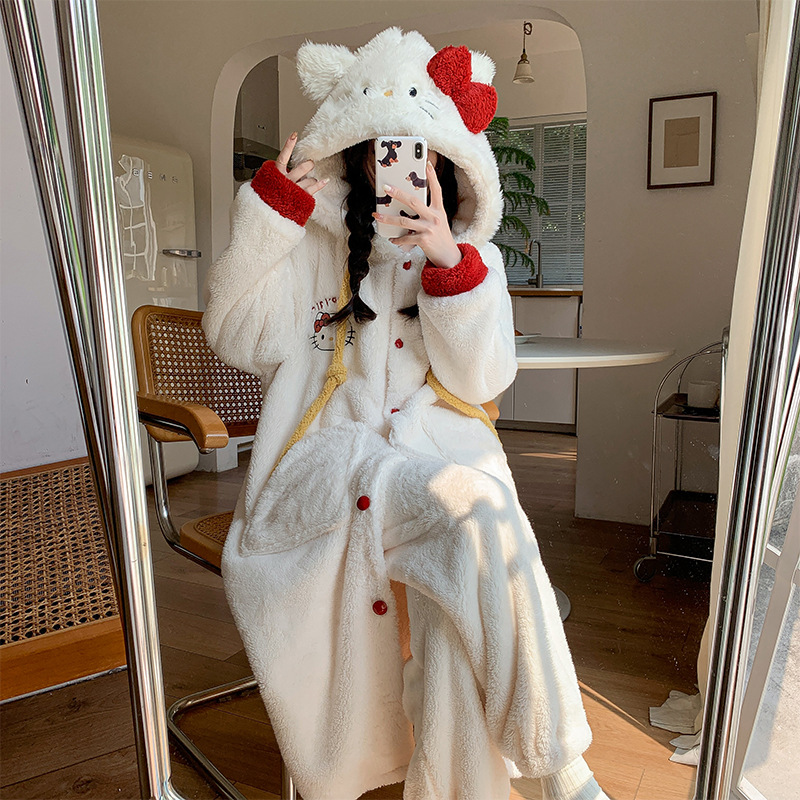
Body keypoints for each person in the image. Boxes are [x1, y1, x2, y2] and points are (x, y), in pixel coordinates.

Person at [203, 27, 609, 800]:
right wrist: (272, 215)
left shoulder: (471, 258)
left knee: (457, 593)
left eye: (419, 150)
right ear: (360, 153)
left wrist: (449, 262)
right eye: (384, 149)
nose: (401, 167)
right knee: (475, 511)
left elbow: (484, 377)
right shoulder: (312, 244)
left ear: (445, 158)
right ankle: (559, 764)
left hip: (428, 463)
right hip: (323, 466)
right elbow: (238, 338)